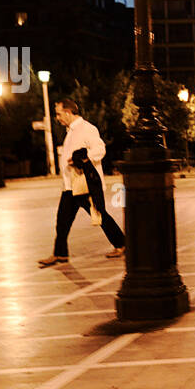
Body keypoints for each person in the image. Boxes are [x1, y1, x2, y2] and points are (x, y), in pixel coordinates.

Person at [38, 99, 126, 266]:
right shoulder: (71, 131)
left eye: (58, 113)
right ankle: (60, 254)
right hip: (70, 186)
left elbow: (100, 149)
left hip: (84, 185)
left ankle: (121, 243)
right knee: (62, 220)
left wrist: (84, 158)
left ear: (68, 112)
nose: (57, 117)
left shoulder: (86, 128)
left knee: (99, 214)